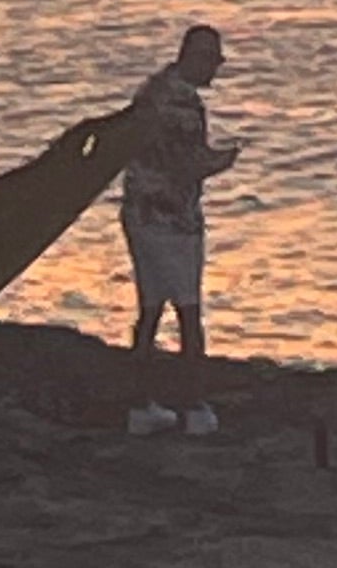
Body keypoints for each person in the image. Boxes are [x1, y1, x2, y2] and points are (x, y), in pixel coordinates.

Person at [121, 22, 239, 437]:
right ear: (195, 57)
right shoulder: (184, 106)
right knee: (189, 313)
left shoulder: (151, 90)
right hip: (173, 220)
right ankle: (194, 407)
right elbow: (188, 165)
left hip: (139, 213)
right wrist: (222, 161)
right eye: (213, 59)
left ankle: (139, 405)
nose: (217, 68)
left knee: (150, 309)